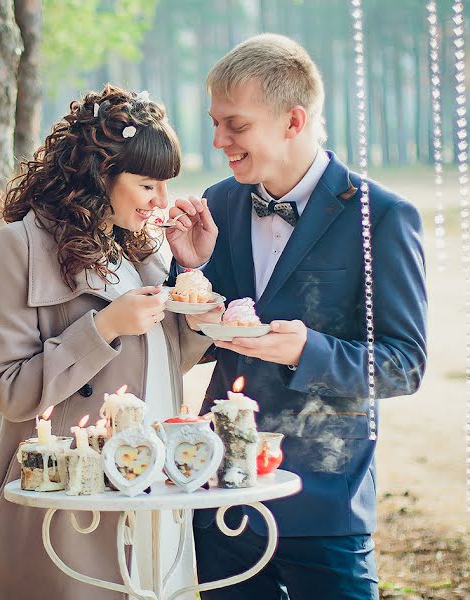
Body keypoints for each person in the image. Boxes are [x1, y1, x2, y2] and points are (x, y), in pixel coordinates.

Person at [166, 34, 428, 599]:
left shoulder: (380, 217)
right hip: (223, 493)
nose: (218, 141)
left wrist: (304, 351)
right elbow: (196, 334)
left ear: (292, 120)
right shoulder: (221, 204)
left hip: (325, 499)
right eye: (216, 124)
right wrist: (190, 272)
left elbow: (405, 365)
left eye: (235, 125)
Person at [0, 84, 219, 600]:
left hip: (150, 486)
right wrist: (104, 328)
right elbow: (9, 390)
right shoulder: (16, 246)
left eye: (166, 186)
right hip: (73, 502)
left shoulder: (138, 249)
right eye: (148, 184)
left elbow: (166, 361)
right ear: (98, 174)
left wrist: (190, 275)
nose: (162, 202)